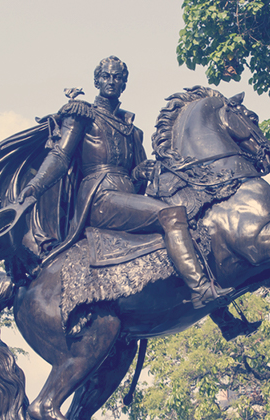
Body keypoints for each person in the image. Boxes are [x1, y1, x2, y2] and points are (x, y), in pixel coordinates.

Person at [17, 56, 232, 309]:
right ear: (97, 81)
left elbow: (133, 177)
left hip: (127, 197)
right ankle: (201, 290)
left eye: (117, 77)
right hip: (99, 197)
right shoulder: (83, 115)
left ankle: (220, 315)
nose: (111, 81)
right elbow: (60, 156)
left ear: (124, 83)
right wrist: (36, 185)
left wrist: (141, 172)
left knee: (194, 223)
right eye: (106, 76)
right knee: (171, 215)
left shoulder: (132, 131)